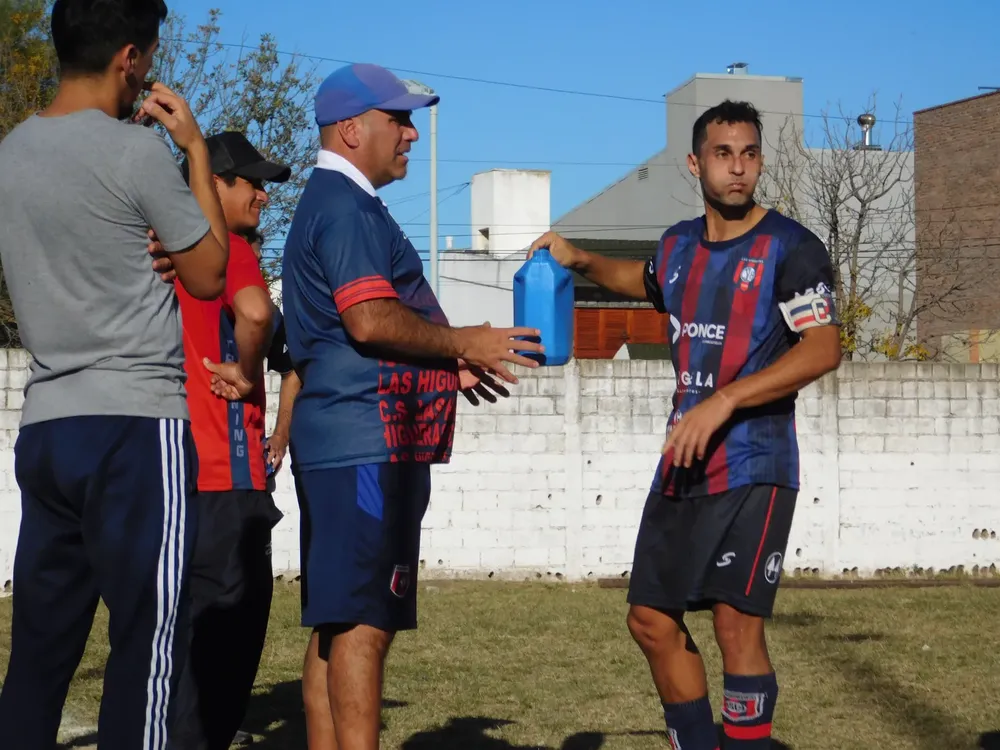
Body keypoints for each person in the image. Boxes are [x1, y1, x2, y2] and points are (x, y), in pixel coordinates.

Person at [529, 100, 842, 750]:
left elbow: (823, 349)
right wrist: (580, 260)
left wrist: (726, 401)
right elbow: (646, 282)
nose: (738, 168)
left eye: (749, 154)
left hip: (755, 466)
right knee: (649, 619)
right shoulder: (676, 246)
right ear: (695, 163)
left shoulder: (791, 248)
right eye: (724, 154)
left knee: (735, 625)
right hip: (684, 462)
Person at [280, 62, 544, 750]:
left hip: (357, 439)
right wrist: (464, 340)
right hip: (364, 440)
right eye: (398, 121)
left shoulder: (342, 204)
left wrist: (444, 359)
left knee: (340, 621)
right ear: (350, 129)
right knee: (364, 624)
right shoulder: (345, 207)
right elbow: (367, 318)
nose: (411, 136)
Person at [0, 0, 230, 747]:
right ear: (129, 58)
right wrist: (193, 149)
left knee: (37, 656)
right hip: (134, 429)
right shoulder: (137, 153)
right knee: (149, 645)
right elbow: (209, 273)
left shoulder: (10, 154)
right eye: (150, 57)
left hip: (46, 429)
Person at [165, 131, 295, 750]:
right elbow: (256, 315)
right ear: (213, 182)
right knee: (227, 643)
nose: (263, 195)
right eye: (251, 182)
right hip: (226, 478)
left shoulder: (164, 247)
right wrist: (246, 375)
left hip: (177, 472)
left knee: (181, 640)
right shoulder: (230, 248)